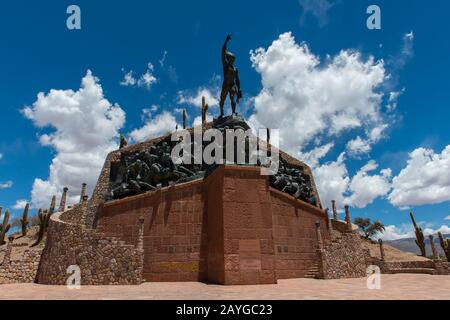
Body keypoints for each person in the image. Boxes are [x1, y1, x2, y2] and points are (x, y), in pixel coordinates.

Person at [219, 34, 242, 117]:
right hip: (226, 84)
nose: (232, 60)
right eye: (231, 59)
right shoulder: (225, 65)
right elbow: (223, 52)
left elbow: (237, 79)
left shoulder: (235, 69)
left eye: (233, 59)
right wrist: (226, 41)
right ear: (229, 59)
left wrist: (239, 88)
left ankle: (233, 112)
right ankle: (221, 113)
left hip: (232, 84)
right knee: (222, 99)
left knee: (232, 97)